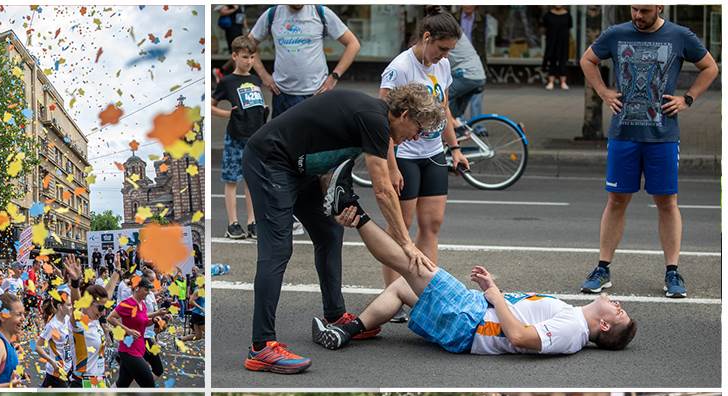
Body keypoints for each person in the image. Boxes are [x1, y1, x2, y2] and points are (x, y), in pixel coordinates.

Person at [312, 160, 638, 356]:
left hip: (470, 319)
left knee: (410, 262)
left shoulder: (572, 329)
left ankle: (350, 209)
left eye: (619, 312)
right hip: (471, 315)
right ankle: (346, 331)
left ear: (605, 324)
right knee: (400, 287)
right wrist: (492, 293)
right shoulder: (572, 323)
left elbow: (520, 337)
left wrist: (492, 293)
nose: (618, 304)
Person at [242, 83, 443, 373]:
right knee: (277, 250)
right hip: (269, 160)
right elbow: (384, 189)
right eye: (418, 129)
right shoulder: (375, 119)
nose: (417, 137)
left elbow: (331, 153)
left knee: (329, 232)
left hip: (298, 167)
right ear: (405, 114)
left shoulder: (373, 118)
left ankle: (335, 316)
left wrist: (335, 198)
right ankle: (261, 347)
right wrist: (406, 244)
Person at [578, 5, 718, 299]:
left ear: (659, 7)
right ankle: (603, 268)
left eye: (643, 10)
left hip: (663, 136)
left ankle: (672, 272)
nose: (637, 16)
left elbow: (711, 67)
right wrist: (603, 92)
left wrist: (687, 99)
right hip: (623, 134)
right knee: (616, 200)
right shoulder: (616, 34)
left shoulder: (680, 35)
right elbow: (588, 60)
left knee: (667, 201)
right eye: (633, 9)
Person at [380, 7, 470, 323]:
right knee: (399, 229)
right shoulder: (400, 68)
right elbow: (383, 120)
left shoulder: (442, 66)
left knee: (432, 225)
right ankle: (392, 298)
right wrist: (390, 166)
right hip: (403, 155)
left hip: (433, 152)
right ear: (427, 37)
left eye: (449, 51)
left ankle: (423, 292)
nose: (444, 56)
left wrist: (455, 148)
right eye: (442, 48)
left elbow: (443, 109)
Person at [249, 5, 361, 118]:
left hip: (316, 94)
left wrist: (334, 76)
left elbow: (353, 44)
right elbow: (249, 43)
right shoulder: (272, 14)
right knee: (283, 135)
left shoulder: (320, 12)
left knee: (316, 135)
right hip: (282, 95)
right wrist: (263, 76)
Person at [212, 36, 268, 240]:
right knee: (231, 180)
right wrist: (228, 114)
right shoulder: (227, 82)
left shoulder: (255, 80)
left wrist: (263, 113)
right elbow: (211, 105)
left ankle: (252, 222)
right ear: (234, 56)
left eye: (252, 57)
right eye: (245, 57)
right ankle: (232, 223)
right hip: (235, 136)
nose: (249, 61)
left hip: (255, 136)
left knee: (252, 181)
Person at [458, 6, 489, 118]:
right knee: (458, 96)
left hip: (477, 60)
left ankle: (477, 125)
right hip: (459, 60)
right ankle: (459, 124)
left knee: (477, 96)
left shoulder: (481, 19)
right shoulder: (454, 18)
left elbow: (484, 42)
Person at [541, 6, 572, 91]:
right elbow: (543, 28)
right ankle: (551, 82)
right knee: (552, 60)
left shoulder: (567, 15)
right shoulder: (548, 15)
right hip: (551, 41)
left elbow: (569, 28)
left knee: (563, 61)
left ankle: (563, 82)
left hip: (563, 42)